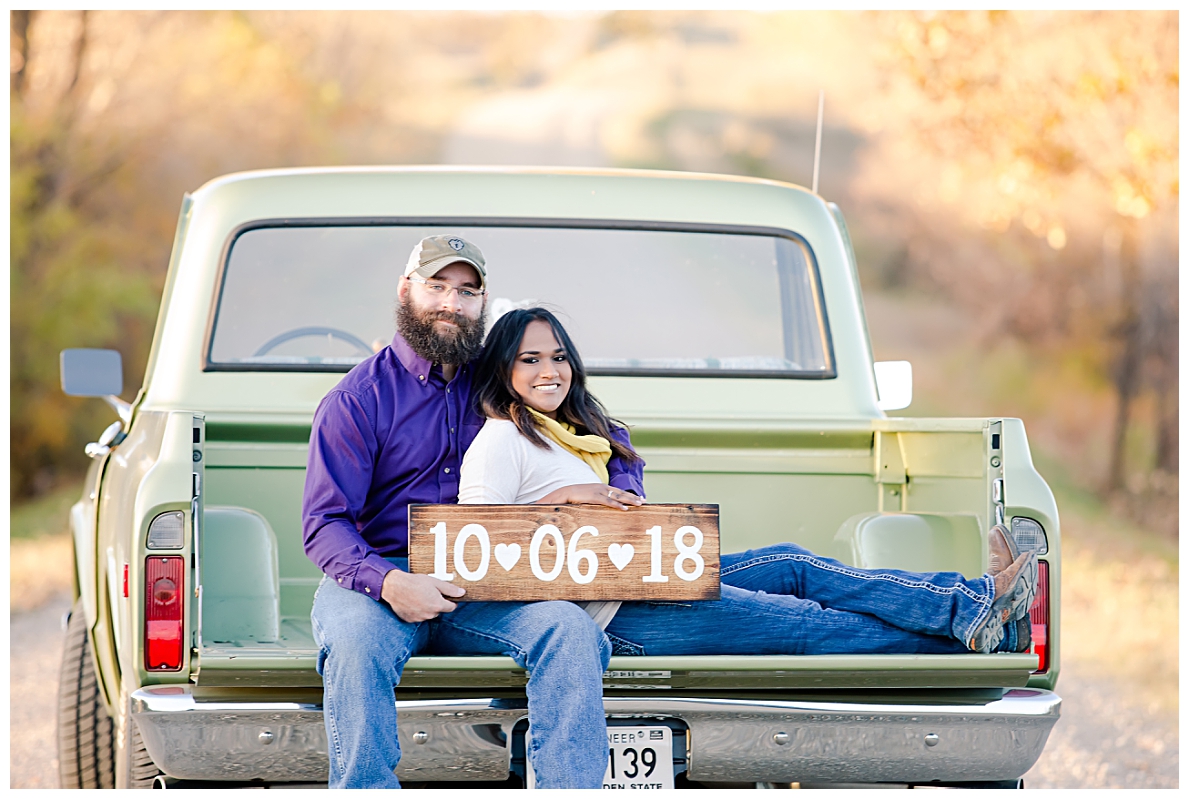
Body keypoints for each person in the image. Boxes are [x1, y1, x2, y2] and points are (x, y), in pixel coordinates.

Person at [459, 307, 1038, 667]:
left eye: (559, 356)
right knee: (803, 623)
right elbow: (474, 553)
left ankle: (971, 603)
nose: (549, 371)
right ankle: (973, 641)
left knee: (792, 563)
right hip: (613, 618)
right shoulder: (501, 439)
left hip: (651, 578)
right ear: (503, 371)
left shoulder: (571, 437)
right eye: (530, 359)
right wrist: (559, 502)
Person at [301, 236, 644, 789]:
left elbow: (597, 425)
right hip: (380, 579)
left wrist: (614, 489)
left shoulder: (495, 374)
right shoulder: (357, 399)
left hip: (485, 584)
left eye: (466, 291)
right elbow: (324, 525)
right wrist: (391, 583)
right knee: (357, 647)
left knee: (568, 629)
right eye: (436, 286)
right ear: (405, 288)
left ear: (483, 302)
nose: (450, 303)